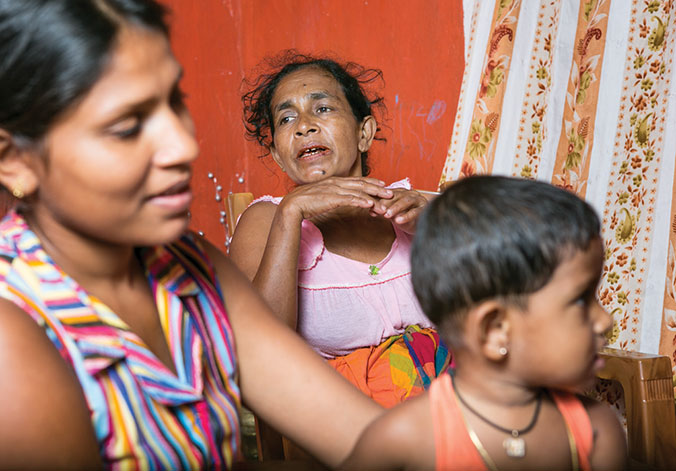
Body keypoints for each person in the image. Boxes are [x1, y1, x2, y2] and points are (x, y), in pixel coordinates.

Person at [0, 2, 382, 469]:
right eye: (126, 127)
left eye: (174, 101)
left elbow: (359, 435)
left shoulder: (185, 264)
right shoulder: (14, 330)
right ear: (14, 160)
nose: (184, 146)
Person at [340, 175, 627, 471]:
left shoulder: (597, 431)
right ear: (494, 331)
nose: (605, 320)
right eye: (581, 300)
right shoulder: (403, 441)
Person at [230, 52, 451, 408]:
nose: (304, 126)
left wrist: (442, 227)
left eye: (322, 109)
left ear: (364, 134)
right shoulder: (267, 220)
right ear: (277, 155)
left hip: (455, 414)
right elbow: (258, 352)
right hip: (343, 433)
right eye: (287, 118)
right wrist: (292, 213)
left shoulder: (415, 207)